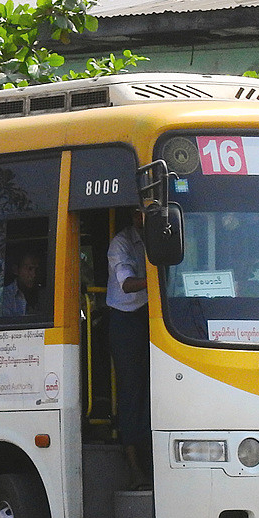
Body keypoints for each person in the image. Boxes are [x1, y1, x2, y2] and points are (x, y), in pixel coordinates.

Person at [107, 210, 151, 489]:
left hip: (152, 315)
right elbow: (127, 284)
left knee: (153, 389)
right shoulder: (120, 244)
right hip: (125, 319)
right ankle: (134, 466)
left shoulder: (159, 238)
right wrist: (160, 279)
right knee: (131, 391)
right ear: (136, 216)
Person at [1, 251, 42, 316]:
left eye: (37, 269)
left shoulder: (45, 295)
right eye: (30, 269)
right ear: (16, 270)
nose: (34, 275)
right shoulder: (5, 296)